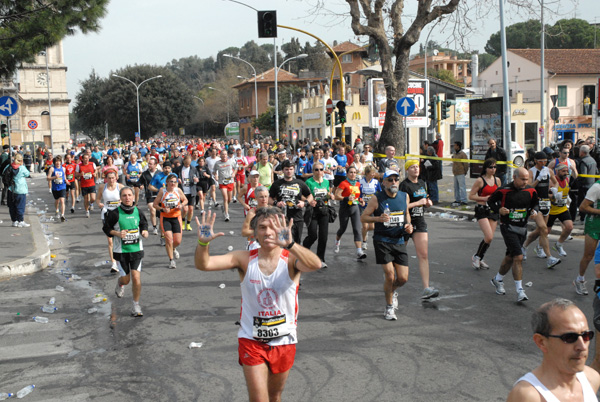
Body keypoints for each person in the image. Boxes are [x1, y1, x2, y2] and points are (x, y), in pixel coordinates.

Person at [193, 208, 321, 402]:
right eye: (262, 227)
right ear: (254, 233)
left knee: (274, 396)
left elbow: (315, 265)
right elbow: (205, 265)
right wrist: (203, 243)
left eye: (273, 227)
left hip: (284, 340)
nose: (268, 232)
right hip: (251, 340)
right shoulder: (244, 259)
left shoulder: (291, 260)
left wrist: (292, 244)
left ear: (283, 229)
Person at [507, 298, 600, 401]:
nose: (582, 346)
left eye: (586, 335)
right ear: (541, 342)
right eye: (569, 337)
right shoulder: (528, 396)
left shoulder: (592, 379)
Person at [361, 169, 413, 320]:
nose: (394, 182)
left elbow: (406, 214)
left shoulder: (404, 196)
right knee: (390, 275)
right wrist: (378, 219)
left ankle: (391, 291)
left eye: (396, 179)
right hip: (382, 240)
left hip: (399, 240)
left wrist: (408, 226)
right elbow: (364, 218)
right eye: (390, 180)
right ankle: (389, 307)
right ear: (383, 182)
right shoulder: (377, 198)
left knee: (403, 279)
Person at [488, 168, 539, 302]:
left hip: (522, 228)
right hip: (507, 227)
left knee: (510, 257)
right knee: (518, 256)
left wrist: (534, 211)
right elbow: (490, 201)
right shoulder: (504, 190)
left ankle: (497, 279)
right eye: (522, 179)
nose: (525, 182)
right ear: (514, 177)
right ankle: (520, 291)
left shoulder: (531, 191)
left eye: (527, 179)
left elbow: (536, 204)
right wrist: (498, 209)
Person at [103, 186, 149, 317]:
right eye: (124, 195)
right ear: (120, 198)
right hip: (121, 252)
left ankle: (136, 305)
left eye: (129, 195)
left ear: (133, 197)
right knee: (126, 279)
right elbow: (106, 228)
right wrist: (117, 233)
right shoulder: (114, 213)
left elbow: (144, 225)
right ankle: (120, 283)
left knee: (136, 278)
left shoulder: (138, 212)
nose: (127, 198)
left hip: (136, 250)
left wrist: (145, 232)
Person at [400, 159, 439, 299]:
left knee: (423, 255)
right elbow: (402, 207)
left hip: (420, 221)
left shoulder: (422, 183)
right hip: (406, 222)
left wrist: (428, 203)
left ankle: (426, 288)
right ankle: (392, 280)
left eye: (417, 167)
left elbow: (425, 199)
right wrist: (418, 202)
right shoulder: (404, 185)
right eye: (412, 167)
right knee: (399, 253)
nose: (416, 169)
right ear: (407, 170)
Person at [521, 152, 561, 269]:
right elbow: (529, 188)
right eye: (541, 161)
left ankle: (524, 246)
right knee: (544, 229)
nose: (543, 163)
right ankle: (549, 258)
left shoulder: (548, 170)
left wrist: (555, 190)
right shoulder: (531, 172)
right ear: (535, 160)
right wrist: (538, 179)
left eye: (545, 161)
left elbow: (556, 182)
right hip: (535, 203)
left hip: (546, 201)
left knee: (540, 230)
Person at [469, 158, 502, 269]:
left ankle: (479, 257)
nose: (493, 169)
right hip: (482, 209)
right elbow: (471, 196)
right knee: (488, 236)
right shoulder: (480, 180)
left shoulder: (497, 180)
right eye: (490, 167)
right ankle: (476, 258)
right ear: (486, 168)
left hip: (493, 210)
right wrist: (484, 198)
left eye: (494, 167)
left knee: (490, 238)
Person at [269, 160, 312, 243]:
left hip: (297, 217)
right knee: (284, 242)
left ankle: (294, 257)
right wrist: (276, 203)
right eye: (286, 169)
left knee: (296, 243)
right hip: (282, 218)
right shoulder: (277, 184)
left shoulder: (300, 183)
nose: (289, 171)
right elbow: (269, 198)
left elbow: (310, 196)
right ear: (282, 170)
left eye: (291, 169)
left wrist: (304, 203)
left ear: (294, 170)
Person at [153, 173, 187, 269]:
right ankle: (171, 260)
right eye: (171, 182)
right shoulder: (162, 191)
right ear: (167, 182)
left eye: (175, 182)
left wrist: (181, 205)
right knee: (168, 238)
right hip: (165, 218)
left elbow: (185, 200)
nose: (173, 183)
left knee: (178, 241)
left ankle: (173, 248)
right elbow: (155, 204)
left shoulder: (178, 190)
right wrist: (162, 209)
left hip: (176, 217)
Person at [302, 162, 332, 268]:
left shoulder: (326, 182)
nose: (319, 171)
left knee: (323, 236)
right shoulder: (308, 182)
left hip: (324, 210)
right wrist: (309, 201)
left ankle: (321, 259)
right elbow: (302, 196)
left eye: (321, 169)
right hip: (312, 211)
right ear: (313, 171)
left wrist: (330, 196)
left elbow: (327, 193)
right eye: (316, 170)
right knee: (313, 235)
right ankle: (304, 249)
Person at [333, 166, 367, 260]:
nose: (353, 174)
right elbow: (336, 196)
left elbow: (358, 196)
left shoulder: (357, 184)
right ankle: (337, 241)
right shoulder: (344, 183)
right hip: (345, 208)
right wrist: (346, 198)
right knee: (342, 229)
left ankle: (359, 251)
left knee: (357, 229)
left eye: (354, 172)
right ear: (347, 173)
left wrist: (361, 200)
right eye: (351, 172)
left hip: (355, 208)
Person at [576, 177, 600, 296]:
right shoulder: (597, 187)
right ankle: (580, 279)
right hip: (594, 224)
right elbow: (583, 207)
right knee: (589, 255)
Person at [97, 170, 124, 274]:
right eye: (109, 178)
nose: (111, 180)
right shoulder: (102, 187)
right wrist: (99, 204)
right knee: (110, 240)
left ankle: (120, 259)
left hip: (118, 215)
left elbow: (129, 197)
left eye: (113, 178)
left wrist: (122, 201)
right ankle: (114, 263)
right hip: (107, 214)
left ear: (116, 178)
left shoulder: (120, 187)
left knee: (120, 237)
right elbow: (98, 199)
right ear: (106, 179)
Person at [546, 163, 574, 257]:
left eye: (567, 171)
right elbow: (546, 195)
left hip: (562, 208)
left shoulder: (567, 179)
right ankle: (539, 247)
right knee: (546, 231)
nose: (566, 173)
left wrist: (567, 199)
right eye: (563, 171)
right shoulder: (551, 181)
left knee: (569, 227)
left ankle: (559, 244)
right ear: (557, 171)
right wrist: (553, 196)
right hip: (551, 210)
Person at [5, 154, 31, 227]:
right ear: (21, 160)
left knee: (12, 206)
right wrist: (23, 165)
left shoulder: (9, 166)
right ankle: (20, 221)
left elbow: (4, 174)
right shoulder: (22, 168)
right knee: (20, 206)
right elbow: (27, 174)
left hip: (11, 189)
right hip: (20, 189)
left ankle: (14, 221)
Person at [174, 155, 199, 230]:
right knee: (185, 209)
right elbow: (173, 176)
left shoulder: (193, 169)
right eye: (186, 164)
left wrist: (196, 180)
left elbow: (197, 178)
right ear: (183, 161)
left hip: (191, 191)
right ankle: (182, 221)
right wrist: (177, 179)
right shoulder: (179, 169)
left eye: (189, 164)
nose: (187, 165)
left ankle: (188, 224)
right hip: (182, 191)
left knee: (191, 209)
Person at [240, 185, 270, 250]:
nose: (264, 199)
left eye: (266, 196)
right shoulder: (252, 213)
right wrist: (260, 232)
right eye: (261, 197)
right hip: (255, 243)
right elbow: (244, 232)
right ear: (256, 198)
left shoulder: (272, 211)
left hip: (270, 242)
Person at [359, 165, 381, 250]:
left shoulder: (376, 182)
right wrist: (360, 200)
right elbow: (358, 193)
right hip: (363, 206)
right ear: (367, 173)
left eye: (374, 173)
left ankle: (365, 232)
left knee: (372, 227)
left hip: (372, 207)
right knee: (365, 226)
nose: (373, 174)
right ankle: (364, 242)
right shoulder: (361, 182)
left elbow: (380, 193)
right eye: (372, 173)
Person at [213, 150, 236, 222]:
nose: (224, 156)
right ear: (220, 155)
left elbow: (236, 168)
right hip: (222, 182)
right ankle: (226, 214)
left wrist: (234, 174)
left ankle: (224, 207)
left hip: (230, 181)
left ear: (227, 155)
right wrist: (216, 175)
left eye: (225, 154)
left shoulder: (231, 161)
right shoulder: (217, 163)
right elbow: (214, 171)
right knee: (225, 198)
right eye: (223, 154)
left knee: (229, 199)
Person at [577, 145, 598, 223]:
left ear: (582, 152)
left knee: (583, 202)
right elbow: (596, 172)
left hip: (584, 185)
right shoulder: (593, 160)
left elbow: (583, 174)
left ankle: (583, 219)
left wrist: (577, 180)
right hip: (592, 184)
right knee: (591, 203)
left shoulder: (584, 161)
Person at [139, 157, 160, 235]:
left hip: (159, 195)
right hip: (149, 195)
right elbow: (139, 182)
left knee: (159, 213)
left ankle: (158, 224)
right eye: (149, 164)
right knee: (152, 210)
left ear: (155, 165)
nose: (149, 165)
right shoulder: (145, 174)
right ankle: (154, 227)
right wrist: (140, 185)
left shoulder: (160, 173)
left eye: (151, 164)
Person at [46, 156, 67, 222]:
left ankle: (62, 215)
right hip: (55, 187)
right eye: (56, 162)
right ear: (54, 162)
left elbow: (64, 177)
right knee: (57, 201)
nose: (58, 163)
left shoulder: (63, 169)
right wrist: (54, 177)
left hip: (62, 186)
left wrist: (66, 180)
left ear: (61, 162)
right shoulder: (52, 169)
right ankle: (57, 210)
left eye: (59, 161)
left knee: (62, 201)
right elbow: (48, 178)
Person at [76, 153, 97, 218]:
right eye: (85, 158)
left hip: (91, 183)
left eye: (87, 158)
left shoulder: (92, 164)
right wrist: (80, 174)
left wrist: (95, 173)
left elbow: (96, 170)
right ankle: (87, 211)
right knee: (86, 199)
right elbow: (75, 175)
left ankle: (91, 203)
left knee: (93, 198)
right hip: (84, 185)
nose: (86, 159)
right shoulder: (79, 166)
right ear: (82, 159)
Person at [451, 141, 469, 206]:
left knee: (462, 187)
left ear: (458, 146)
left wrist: (465, 171)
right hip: (455, 173)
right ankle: (457, 199)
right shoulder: (454, 154)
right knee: (456, 187)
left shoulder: (463, 154)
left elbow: (466, 164)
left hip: (461, 172)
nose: (454, 147)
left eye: (455, 145)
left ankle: (464, 200)